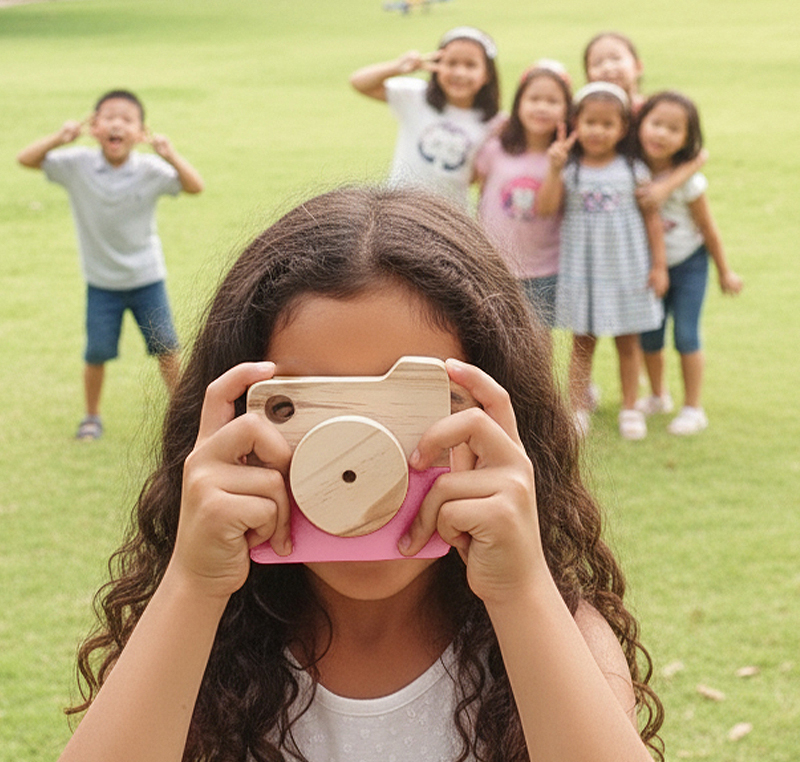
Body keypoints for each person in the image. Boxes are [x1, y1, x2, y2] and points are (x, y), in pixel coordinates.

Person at [58, 186, 663, 762]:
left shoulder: (553, 637)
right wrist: (192, 586)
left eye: (416, 410)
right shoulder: (192, 642)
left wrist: (520, 592)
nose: (358, 465)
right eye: (298, 412)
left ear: (504, 429)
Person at [17, 89, 204, 440]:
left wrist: (169, 153)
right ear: (93, 125)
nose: (117, 123)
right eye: (108, 116)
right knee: (97, 352)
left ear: (140, 132)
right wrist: (61, 136)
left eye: (127, 119)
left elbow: (195, 186)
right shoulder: (76, 165)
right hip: (102, 283)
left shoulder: (150, 169)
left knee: (166, 348)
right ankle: (91, 417)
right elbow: (25, 159)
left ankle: (185, 414)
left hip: (147, 278)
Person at [537, 83, 668, 440]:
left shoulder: (634, 170)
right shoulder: (571, 170)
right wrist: (553, 168)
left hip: (627, 269)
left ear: (623, 129)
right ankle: (577, 407)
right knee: (583, 344)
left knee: (629, 343)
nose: (598, 131)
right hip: (584, 272)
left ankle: (630, 407)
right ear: (576, 122)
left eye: (607, 124)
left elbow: (652, 221)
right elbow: (545, 208)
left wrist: (659, 266)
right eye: (590, 122)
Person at [635, 91, 743, 435]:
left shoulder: (690, 183)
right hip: (650, 265)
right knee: (650, 336)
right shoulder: (633, 170)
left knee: (685, 334)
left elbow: (709, 230)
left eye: (673, 129)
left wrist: (725, 271)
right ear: (641, 124)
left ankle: (694, 408)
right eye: (655, 124)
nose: (661, 134)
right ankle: (657, 395)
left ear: (686, 139)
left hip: (690, 265)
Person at [349, 26, 502, 207]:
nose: (460, 73)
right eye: (451, 63)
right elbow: (359, 82)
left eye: (471, 65)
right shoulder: (416, 97)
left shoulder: (494, 123)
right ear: (436, 65)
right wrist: (398, 67)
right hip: (400, 209)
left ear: (487, 75)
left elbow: (474, 177)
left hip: (450, 215)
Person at [473, 62, 572, 327]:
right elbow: (478, 185)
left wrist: (555, 168)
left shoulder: (565, 159)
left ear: (567, 109)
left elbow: (548, 209)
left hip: (542, 270)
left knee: (538, 345)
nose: (541, 107)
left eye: (552, 101)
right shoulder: (496, 149)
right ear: (518, 104)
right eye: (534, 99)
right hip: (492, 266)